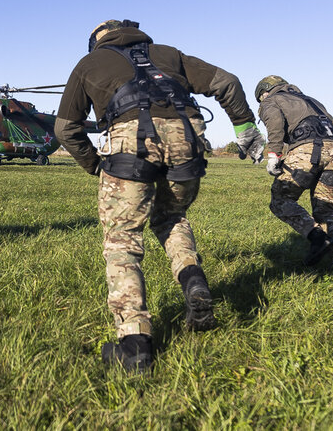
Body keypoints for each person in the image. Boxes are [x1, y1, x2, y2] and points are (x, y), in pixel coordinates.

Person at [55, 20, 264, 373]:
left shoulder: (89, 64)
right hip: (187, 140)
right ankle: (193, 282)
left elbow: (65, 128)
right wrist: (244, 126)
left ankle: (135, 345)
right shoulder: (167, 54)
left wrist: (94, 165)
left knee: (122, 240)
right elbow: (227, 82)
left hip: (130, 146)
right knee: (171, 218)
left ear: (97, 41)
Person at [254, 75, 333, 269]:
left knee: (280, 200)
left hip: (308, 150)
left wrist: (274, 153)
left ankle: (317, 238)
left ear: (265, 91)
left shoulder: (271, 100)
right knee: (325, 206)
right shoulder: (311, 100)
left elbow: (274, 124)